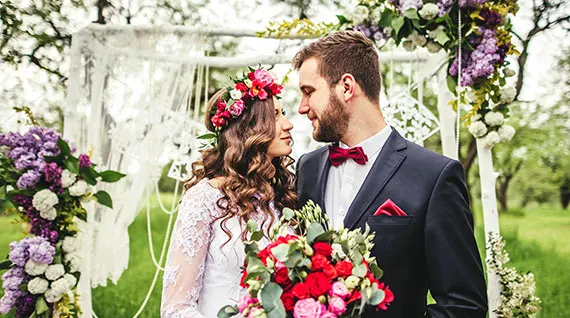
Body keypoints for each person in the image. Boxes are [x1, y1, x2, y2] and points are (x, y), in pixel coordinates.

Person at [294, 31, 488, 317]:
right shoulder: (306, 168)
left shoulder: (435, 176)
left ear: (346, 87)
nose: (301, 107)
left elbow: (464, 305)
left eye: (309, 91)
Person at [161, 67, 295, 317]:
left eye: (283, 113)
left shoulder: (281, 195)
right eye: (275, 116)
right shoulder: (204, 198)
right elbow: (176, 308)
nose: (289, 124)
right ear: (249, 129)